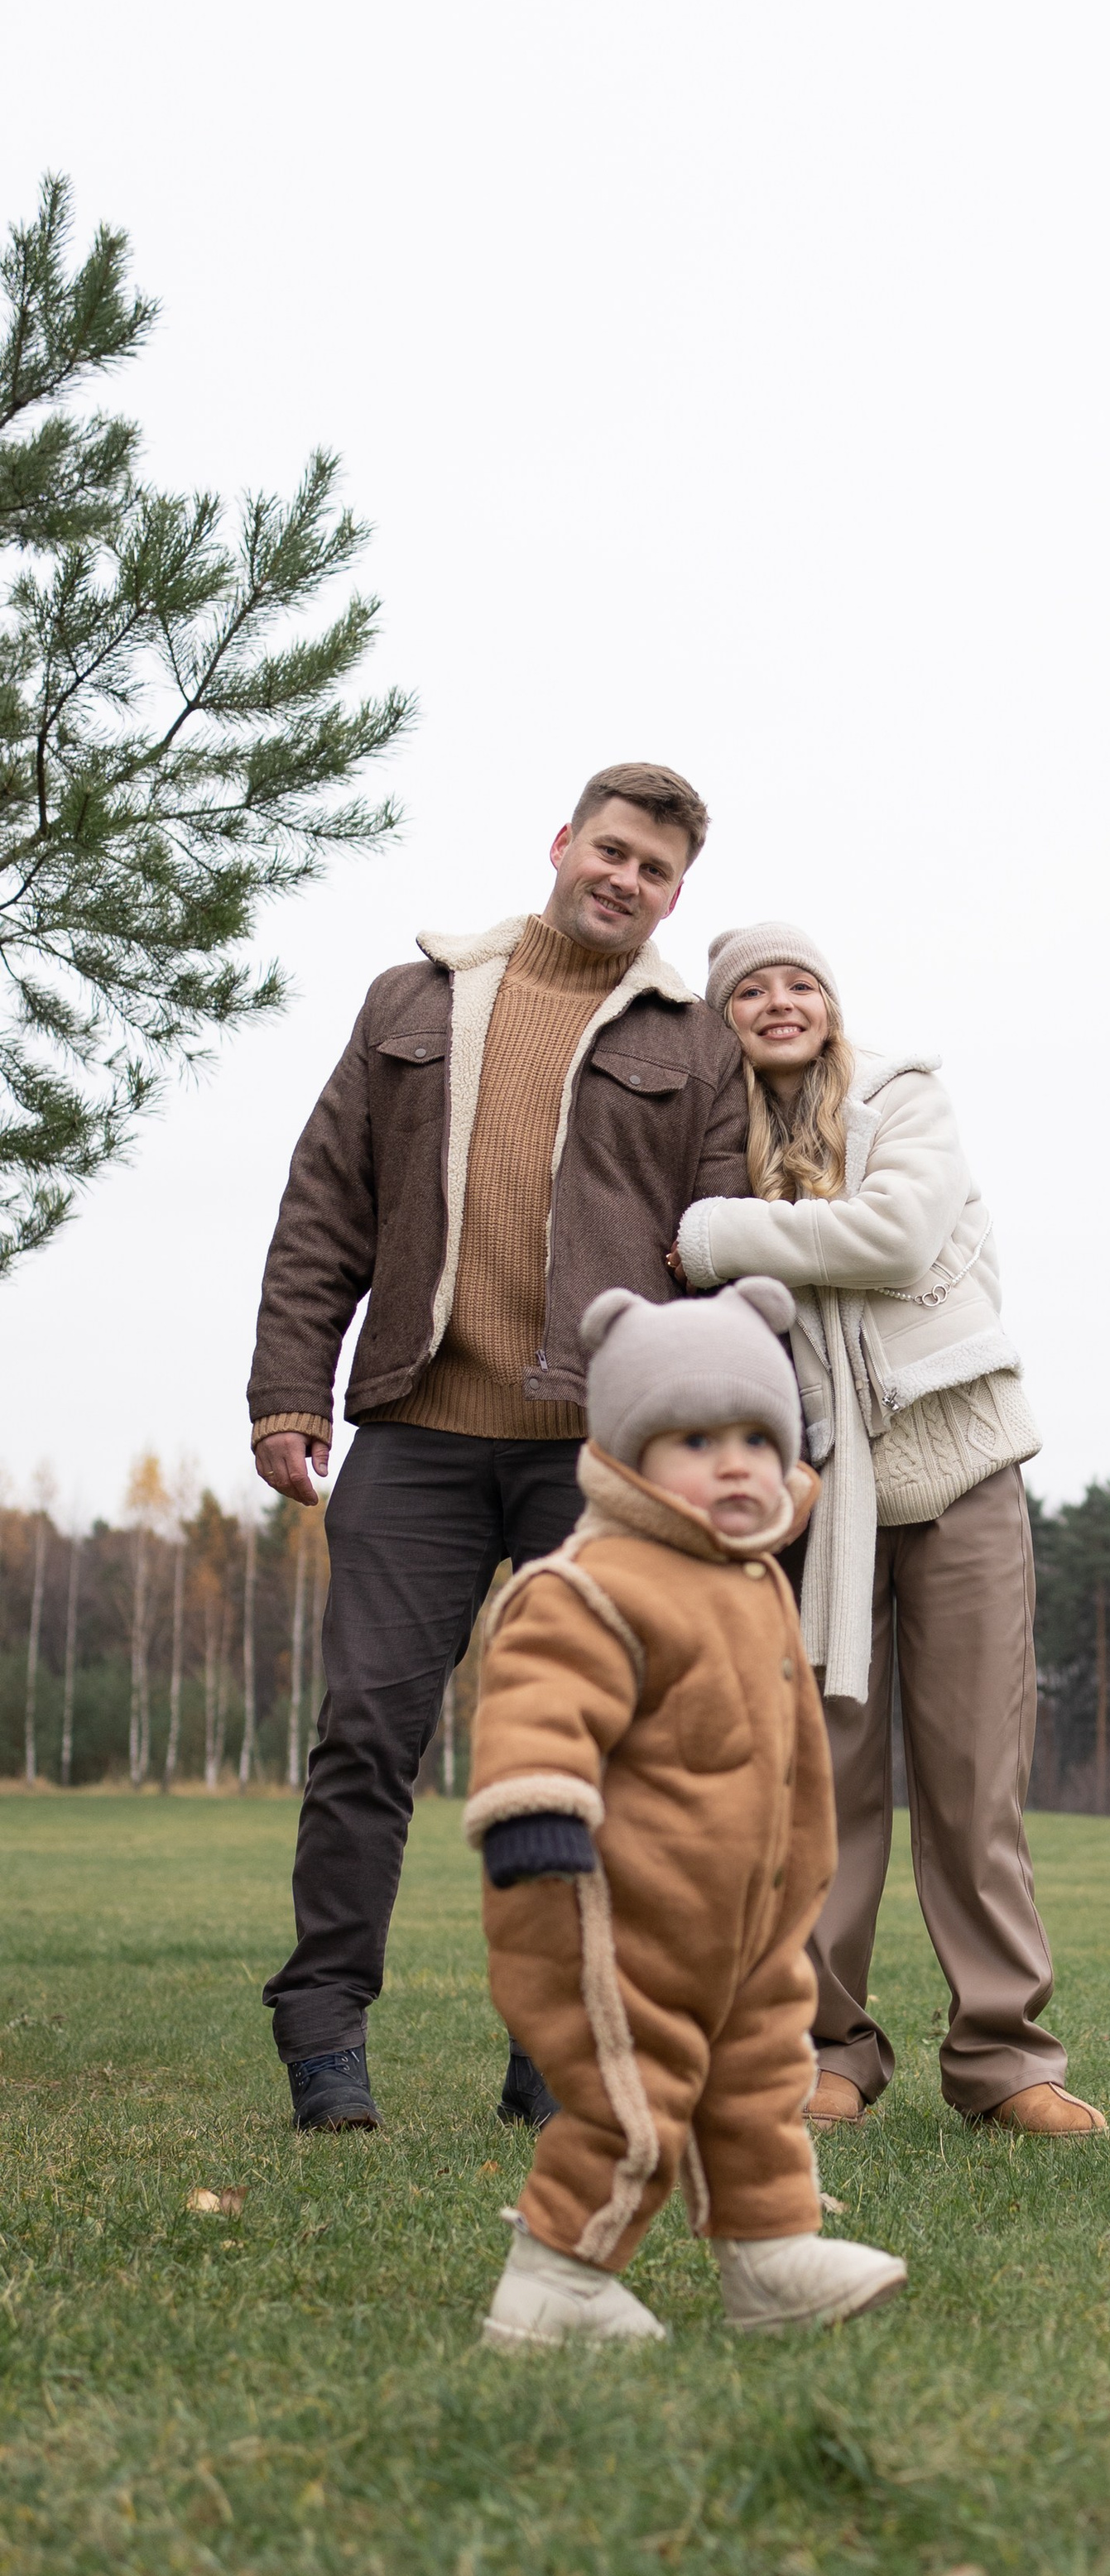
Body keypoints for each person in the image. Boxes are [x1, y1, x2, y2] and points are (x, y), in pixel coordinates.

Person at [247, 763, 747, 2133]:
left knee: (583, 1756)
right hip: (414, 1429)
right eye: (613, 851)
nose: (626, 880)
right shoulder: (413, 1002)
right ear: (563, 843)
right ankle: (324, 2032)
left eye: (655, 871)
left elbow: (721, 1253)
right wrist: (290, 1386)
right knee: (366, 1735)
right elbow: (322, 1207)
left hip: (594, 1459)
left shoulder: (695, 1041)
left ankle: (550, 2045)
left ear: (675, 895)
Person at [672, 923, 1105, 2138]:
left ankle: (1004, 2057)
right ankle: (829, 2050)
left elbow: (896, 1237)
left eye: (799, 981)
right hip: (814, 1489)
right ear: (722, 1020)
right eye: (748, 990)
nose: (778, 1001)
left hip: (956, 1466)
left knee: (975, 1776)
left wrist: (717, 1236)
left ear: (831, 1002)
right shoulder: (709, 1134)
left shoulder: (902, 1100)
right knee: (828, 1785)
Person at [469, 1279, 907, 2346]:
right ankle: (554, 2279)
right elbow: (539, 1698)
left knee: (759, 2088)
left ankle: (770, 2259)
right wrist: (539, 1812)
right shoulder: (593, 1583)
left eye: (759, 1438)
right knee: (634, 2098)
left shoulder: (752, 1579)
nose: (736, 1463)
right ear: (626, 1457)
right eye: (697, 1438)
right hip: (618, 1916)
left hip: (747, 1928)